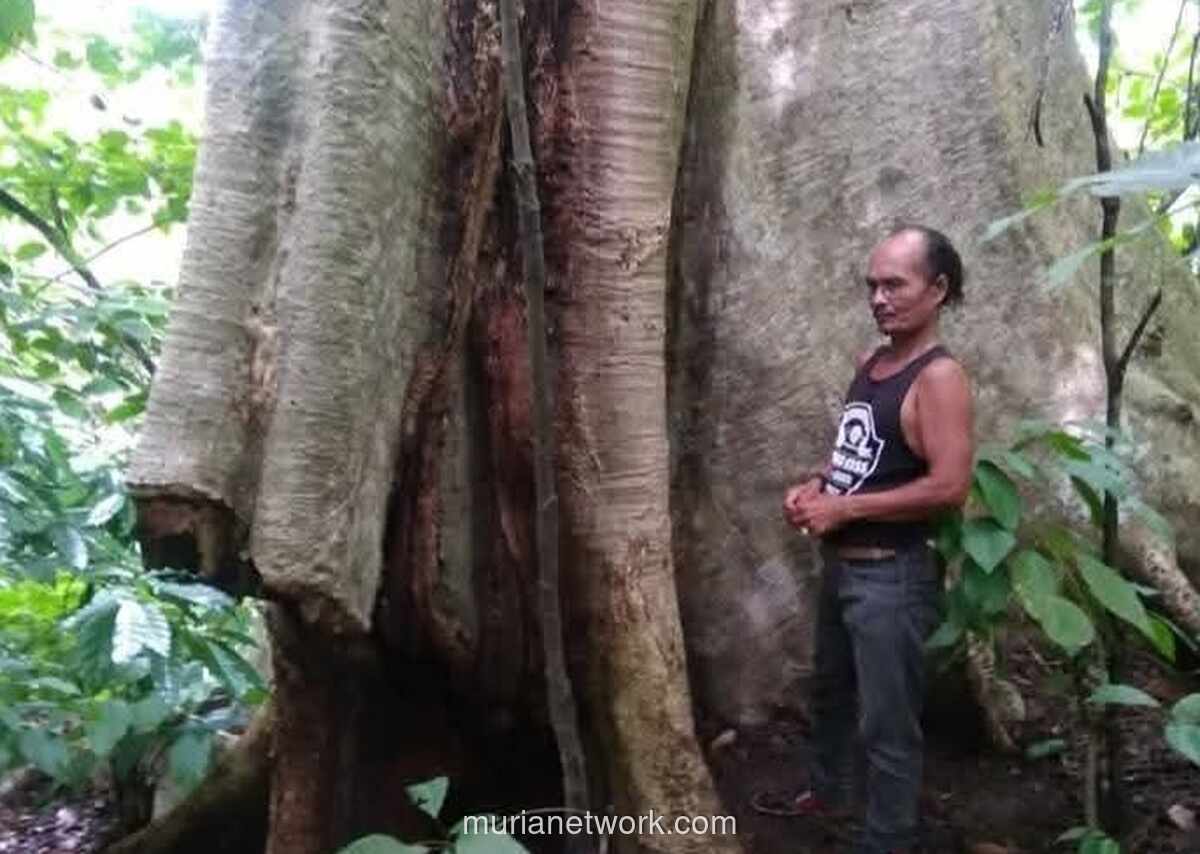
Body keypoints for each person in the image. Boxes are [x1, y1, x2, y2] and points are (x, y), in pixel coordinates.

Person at [782, 225, 974, 854]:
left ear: (938, 290)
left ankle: (885, 841)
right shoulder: (874, 362)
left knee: (887, 725)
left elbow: (950, 487)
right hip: (844, 567)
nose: (879, 298)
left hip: (892, 576)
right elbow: (860, 449)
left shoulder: (940, 378)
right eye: (873, 285)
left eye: (896, 285)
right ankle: (825, 793)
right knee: (831, 692)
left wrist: (847, 509)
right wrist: (817, 486)